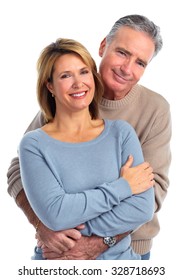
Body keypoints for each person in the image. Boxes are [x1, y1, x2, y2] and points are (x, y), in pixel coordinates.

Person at [7, 14, 171, 260]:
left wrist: (95, 241)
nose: (127, 69)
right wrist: (45, 227)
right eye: (123, 53)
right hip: (59, 251)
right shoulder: (66, 102)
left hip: (128, 247)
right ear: (104, 46)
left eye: (140, 63)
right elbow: (18, 171)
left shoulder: (153, 110)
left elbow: (150, 192)